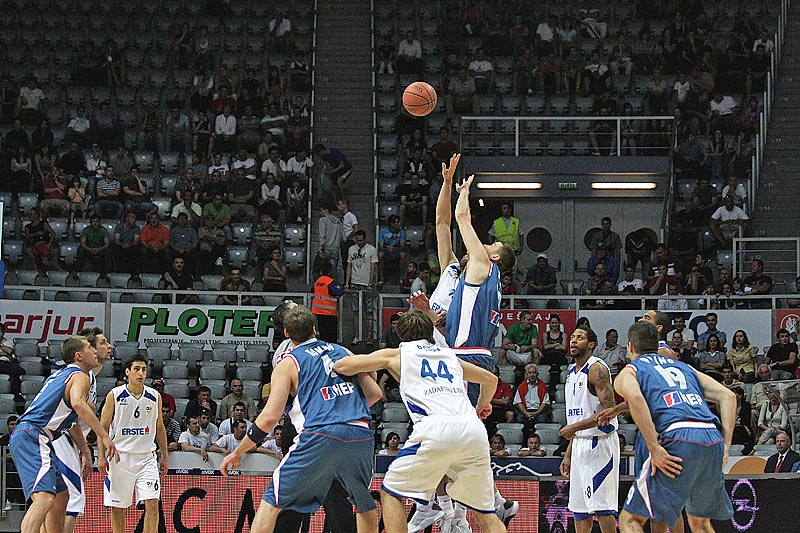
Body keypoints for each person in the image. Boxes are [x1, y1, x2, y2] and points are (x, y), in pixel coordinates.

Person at [332, 310, 507, 533]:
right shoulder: (448, 355)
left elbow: (343, 367)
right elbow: (490, 379)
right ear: (430, 332)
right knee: (484, 511)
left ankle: (425, 511)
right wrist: (483, 405)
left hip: (436, 427)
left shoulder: (397, 354)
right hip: (473, 429)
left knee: (391, 492)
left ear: (400, 333)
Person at [219, 306, 381, 533]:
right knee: (363, 503)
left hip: (319, 433)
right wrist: (343, 408)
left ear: (286, 333)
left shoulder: (288, 363)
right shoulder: (342, 350)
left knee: (271, 502)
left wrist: (238, 451)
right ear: (315, 328)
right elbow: (375, 394)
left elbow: (270, 417)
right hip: (359, 432)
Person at [615, 320, 735, 533]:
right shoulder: (684, 367)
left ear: (631, 347)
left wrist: (654, 448)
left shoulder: (630, 370)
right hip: (711, 436)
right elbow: (728, 395)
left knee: (630, 520)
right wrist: (725, 446)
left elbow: (634, 397)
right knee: (699, 522)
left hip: (677, 436)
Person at [9, 336, 119, 533]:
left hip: (35, 435)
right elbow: (78, 404)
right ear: (78, 356)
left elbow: (72, 420)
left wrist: (85, 452)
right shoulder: (80, 376)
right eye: (89, 348)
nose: (94, 351)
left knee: (61, 496)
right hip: (34, 435)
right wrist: (104, 435)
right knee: (44, 498)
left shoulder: (61, 375)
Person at [557, 327, 619, 533]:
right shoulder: (571, 372)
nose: (573, 341)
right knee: (580, 510)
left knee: (603, 509)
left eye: (580, 338)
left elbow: (610, 411)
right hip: (581, 444)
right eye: (572, 337)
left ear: (591, 344)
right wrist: (568, 453)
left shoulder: (597, 369)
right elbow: (578, 417)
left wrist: (574, 428)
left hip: (600, 443)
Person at [97, 354, 167, 533]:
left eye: (144, 369)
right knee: (118, 507)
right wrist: (101, 457)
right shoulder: (114, 395)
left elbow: (160, 428)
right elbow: (101, 428)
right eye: (136, 369)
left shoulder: (154, 396)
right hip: (120, 457)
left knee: (152, 502)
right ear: (127, 372)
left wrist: (165, 456)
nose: (141, 373)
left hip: (146, 458)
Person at [345, 230, 379, 345]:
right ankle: (356, 336)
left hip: (366, 283)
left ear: (365, 239)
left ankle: (369, 337)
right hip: (355, 282)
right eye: (357, 240)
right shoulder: (351, 249)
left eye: (361, 240)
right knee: (355, 311)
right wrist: (347, 282)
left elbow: (374, 267)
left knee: (368, 311)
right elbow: (349, 265)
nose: (359, 242)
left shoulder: (371, 249)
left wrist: (370, 282)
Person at [513, 364, 551, 440]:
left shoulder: (542, 386)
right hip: (525, 411)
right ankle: (523, 442)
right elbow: (518, 402)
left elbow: (545, 403)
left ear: (537, 374)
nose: (532, 375)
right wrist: (526, 413)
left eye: (534, 373)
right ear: (526, 374)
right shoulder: (521, 386)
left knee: (542, 420)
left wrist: (536, 413)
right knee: (519, 419)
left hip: (538, 411)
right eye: (530, 373)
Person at [311, 261, 345, 343]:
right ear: (330, 271)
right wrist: (343, 288)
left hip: (319, 312)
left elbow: (313, 290)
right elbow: (338, 291)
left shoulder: (318, 281)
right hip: (329, 313)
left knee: (323, 336)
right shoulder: (329, 281)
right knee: (331, 337)